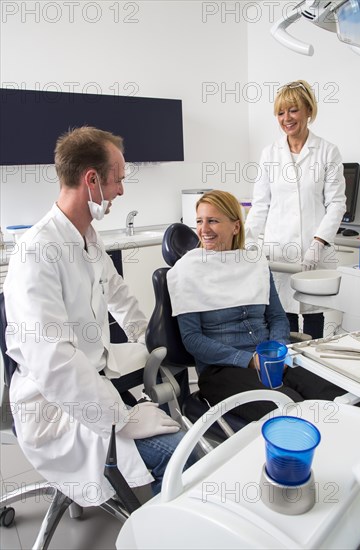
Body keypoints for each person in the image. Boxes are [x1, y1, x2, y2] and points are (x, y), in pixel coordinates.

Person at [4, 126, 190, 507]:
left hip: (93, 372)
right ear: (91, 180)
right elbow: (55, 362)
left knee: (173, 404)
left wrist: (146, 335)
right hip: (52, 406)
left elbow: (117, 291)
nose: (121, 190)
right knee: (181, 457)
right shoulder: (37, 254)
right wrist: (121, 418)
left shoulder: (86, 234)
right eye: (118, 180)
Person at [167, 190, 346, 422]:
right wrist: (249, 360)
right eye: (200, 221)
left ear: (235, 227)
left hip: (273, 359)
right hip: (222, 370)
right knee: (290, 409)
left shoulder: (255, 263)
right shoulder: (186, 271)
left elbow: (278, 318)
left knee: (339, 396)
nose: (204, 229)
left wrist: (278, 349)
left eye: (213, 220)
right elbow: (192, 339)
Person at [245, 80, 346, 339]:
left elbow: (336, 203)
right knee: (282, 317)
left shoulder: (327, 151)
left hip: (315, 250)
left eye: (293, 110)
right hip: (279, 252)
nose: (286, 118)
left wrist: (318, 243)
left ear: (308, 111)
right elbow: (261, 205)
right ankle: (288, 374)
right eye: (280, 112)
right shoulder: (270, 153)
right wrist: (248, 241)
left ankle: (314, 374)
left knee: (314, 315)